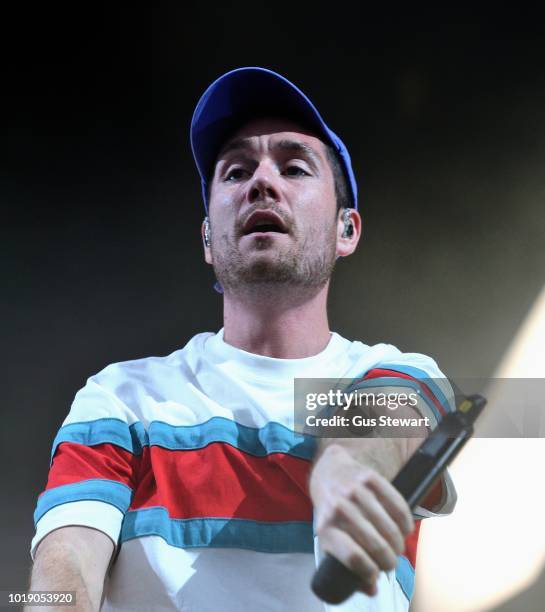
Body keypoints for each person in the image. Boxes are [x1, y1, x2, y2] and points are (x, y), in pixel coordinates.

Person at [28, 67, 457, 611]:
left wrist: (348, 468)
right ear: (208, 236)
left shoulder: (399, 373)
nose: (261, 182)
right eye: (234, 172)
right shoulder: (122, 397)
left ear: (346, 229)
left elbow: (391, 422)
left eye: (295, 167)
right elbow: (62, 573)